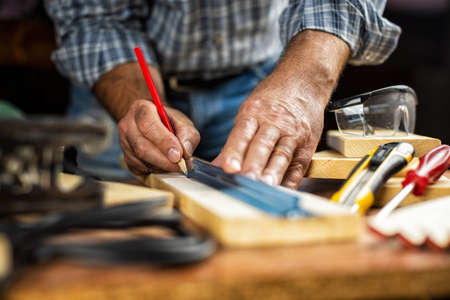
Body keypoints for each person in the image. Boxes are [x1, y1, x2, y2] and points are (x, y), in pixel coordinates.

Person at [45, 0, 400, 188]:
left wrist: (306, 82)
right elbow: (96, 20)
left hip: (263, 85)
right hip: (122, 93)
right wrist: (136, 102)